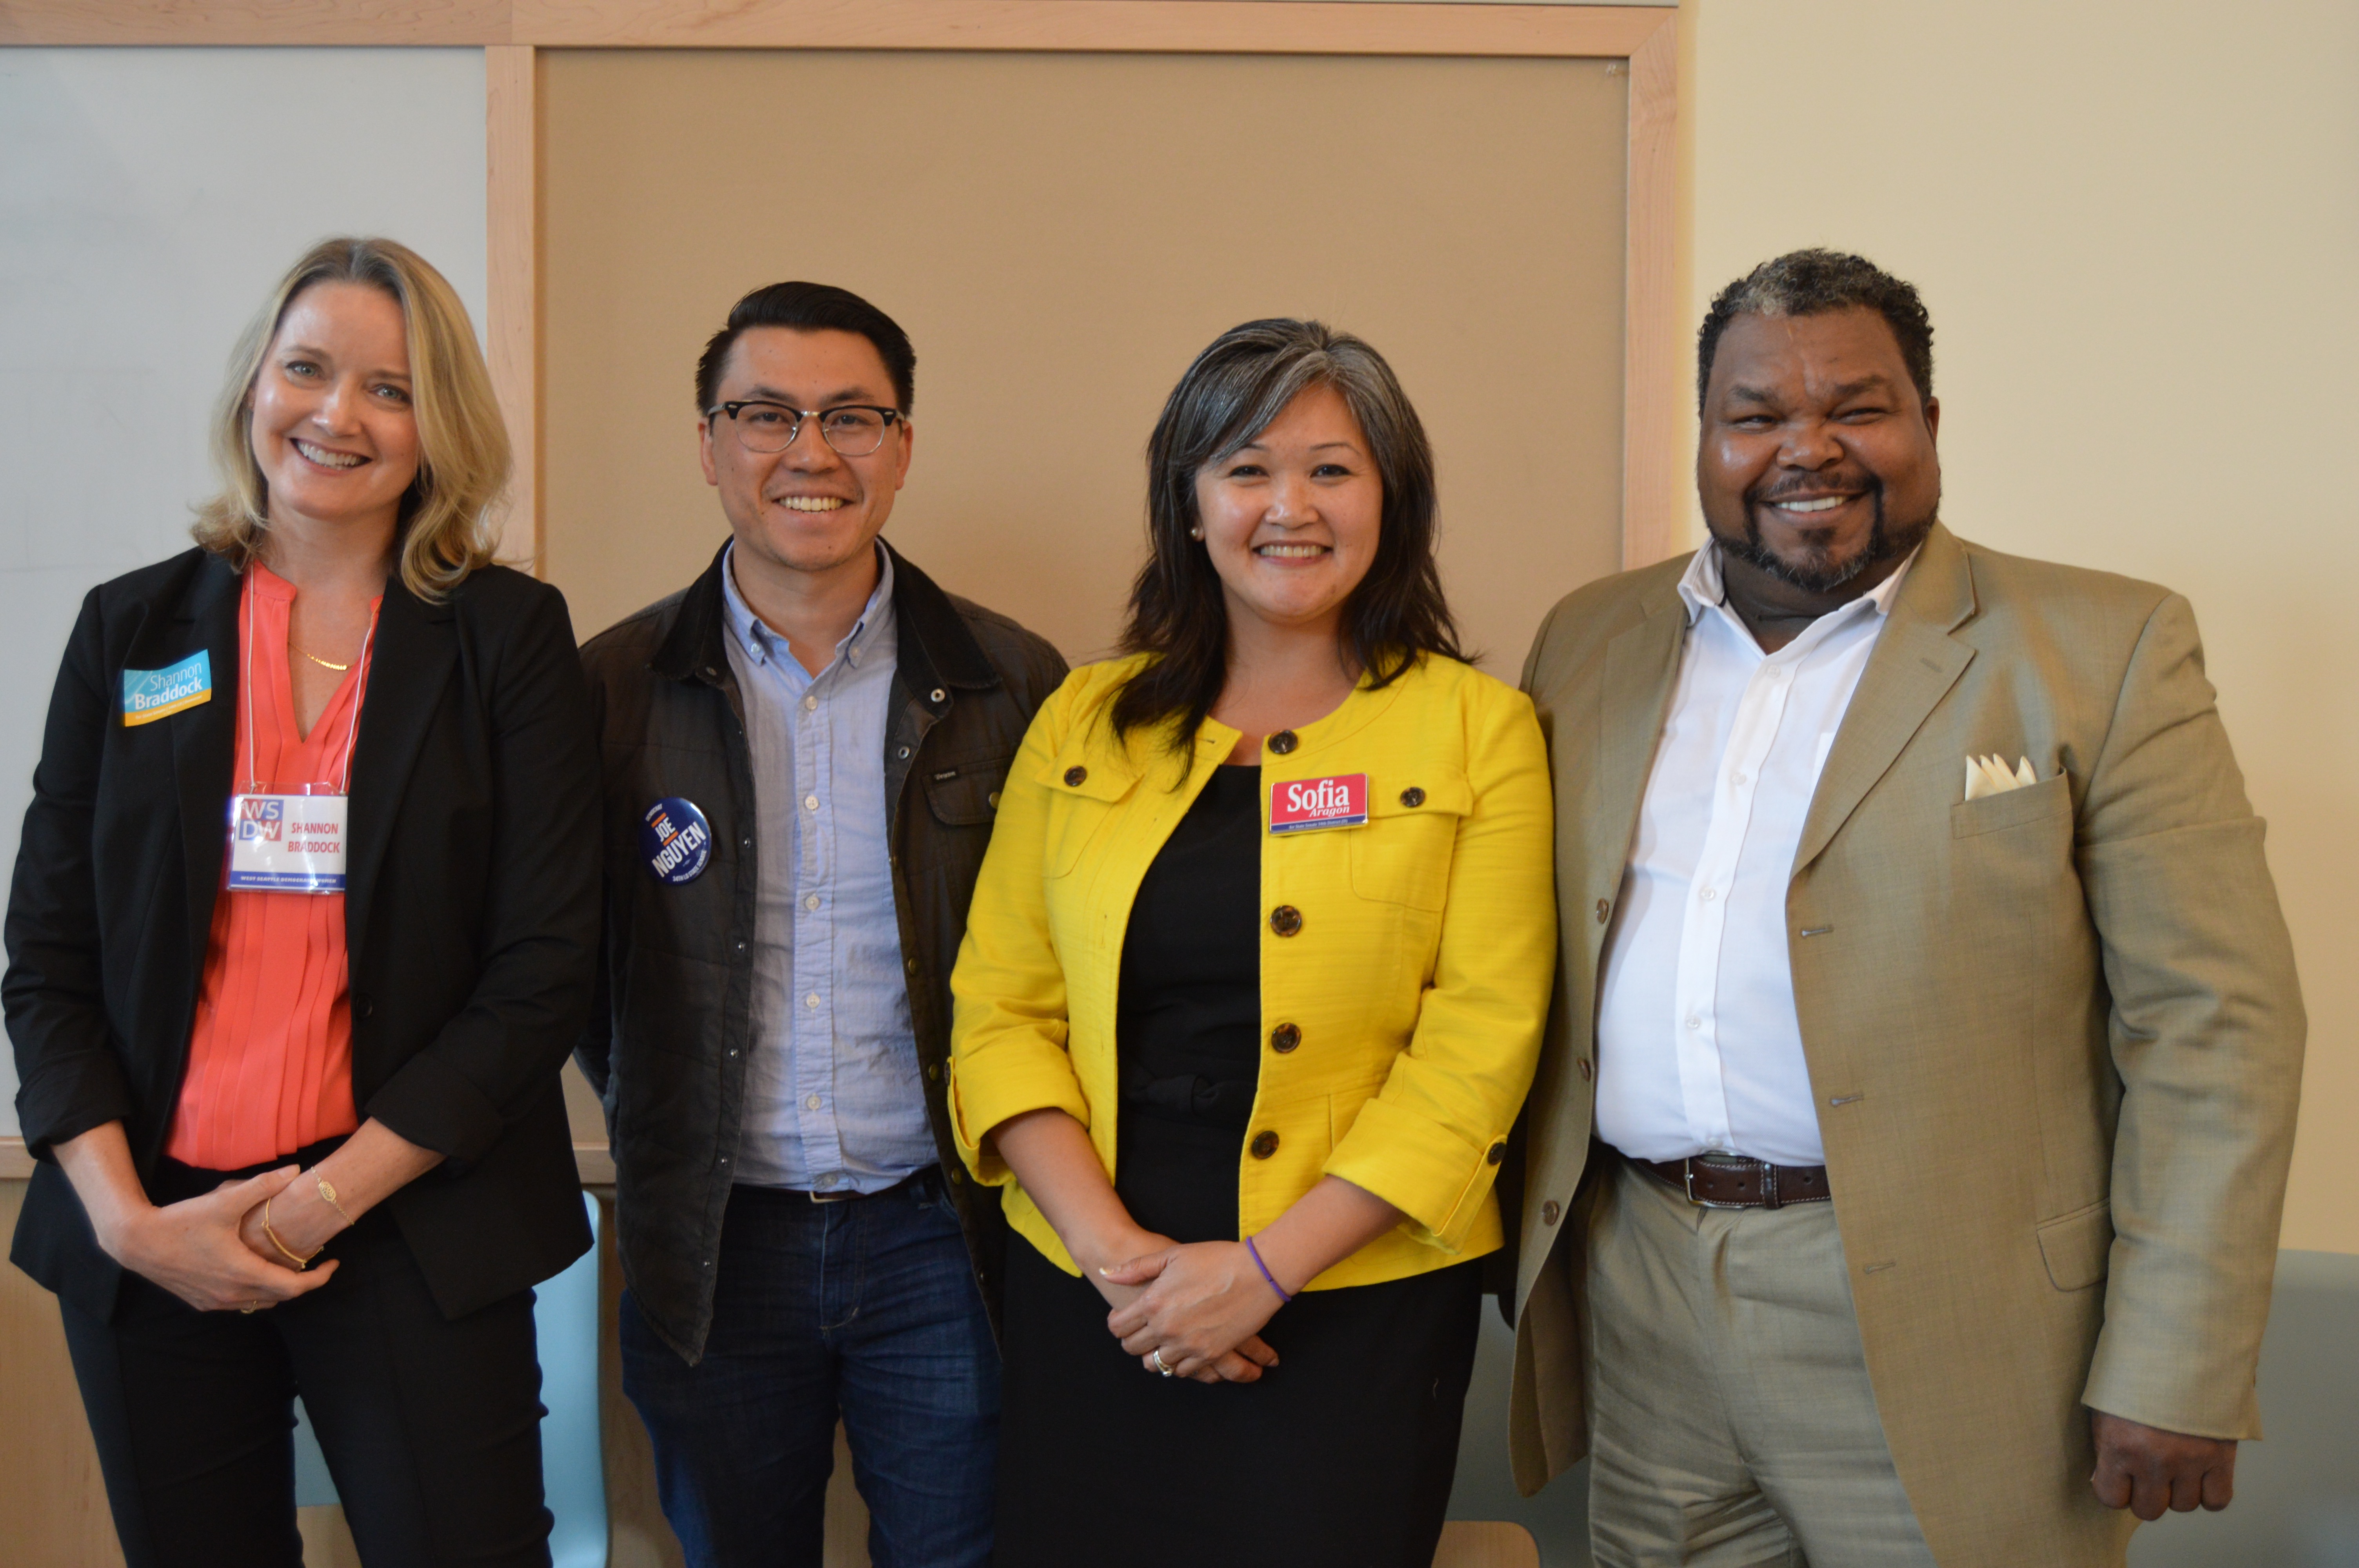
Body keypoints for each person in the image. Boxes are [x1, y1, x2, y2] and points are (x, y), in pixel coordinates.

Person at [1507, 249, 2307, 1566]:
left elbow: (2214, 1028)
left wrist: (2180, 1362)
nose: (1805, 450)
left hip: (1964, 1331)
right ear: (1706, 438)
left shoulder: (2101, 648)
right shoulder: (1590, 638)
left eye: (1857, 409)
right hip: (1644, 1289)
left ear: (1929, 425)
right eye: (1756, 416)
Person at [4, 236, 602, 1568]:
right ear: (254, 389)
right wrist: (129, 1224)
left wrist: (316, 1205)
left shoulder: (505, 638)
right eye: (308, 370)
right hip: (150, 1229)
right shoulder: (131, 630)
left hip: (406, 1228)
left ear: (439, 429)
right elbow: (45, 957)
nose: (336, 415)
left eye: (389, 389)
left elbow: (545, 967)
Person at [949, 318, 1555, 1567]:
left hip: (1354, 1294)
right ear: (1189, 502)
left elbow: (1480, 1042)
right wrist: (1118, 1261)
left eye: (1333, 469)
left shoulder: (1479, 731)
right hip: (1097, 1287)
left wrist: (1263, 1273)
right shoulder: (1084, 717)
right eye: (1247, 468)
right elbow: (1002, 1007)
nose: (1292, 506)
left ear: (1395, 497)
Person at [575, 280, 1066, 1568]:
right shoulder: (610, 688)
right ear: (707, 444)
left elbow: (1067, 961)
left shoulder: (1015, 681)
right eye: (765, 414)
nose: (810, 451)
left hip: (944, 1237)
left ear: (902, 448)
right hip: (713, 1246)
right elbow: (568, 967)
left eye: (852, 416)